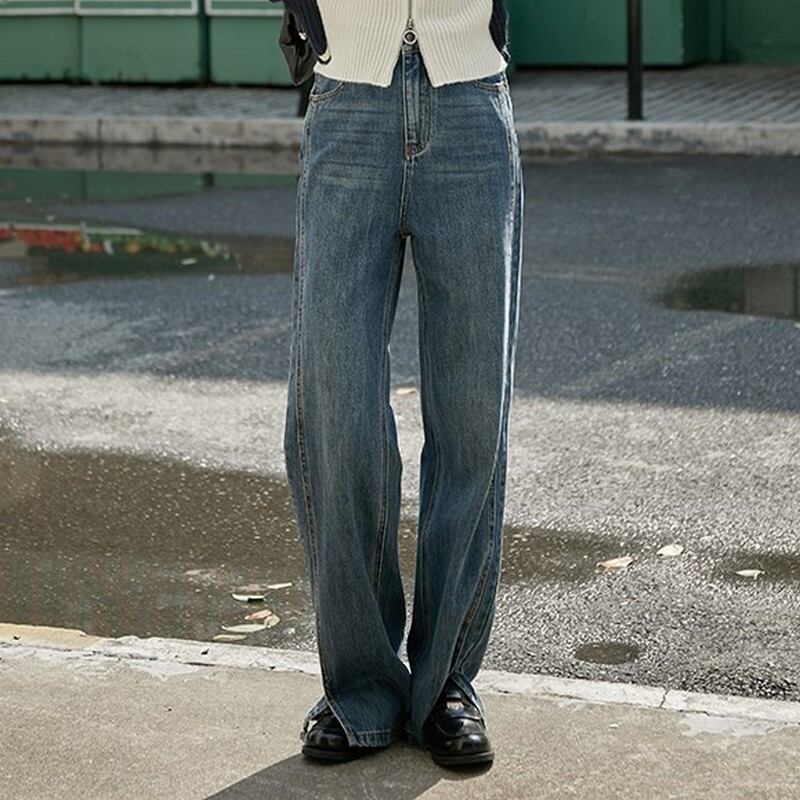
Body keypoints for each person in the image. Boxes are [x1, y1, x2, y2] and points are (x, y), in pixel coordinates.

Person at [281, 0, 523, 768]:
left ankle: (447, 684)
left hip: (471, 98)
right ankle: (359, 686)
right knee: (336, 408)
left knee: (473, 415)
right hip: (349, 100)